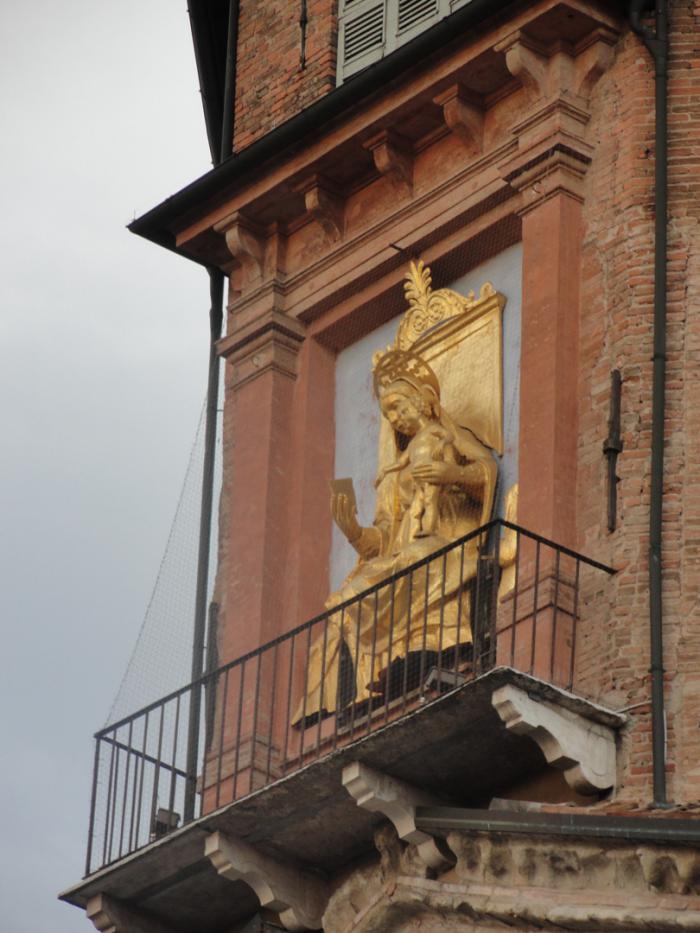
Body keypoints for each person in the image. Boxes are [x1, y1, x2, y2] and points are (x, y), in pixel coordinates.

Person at [294, 349, 497, 722]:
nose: (396, 419)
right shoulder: (395, 474)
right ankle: (368, 684)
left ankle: (429, 648)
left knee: (416, 561)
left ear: (421, 400)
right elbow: (385, 536)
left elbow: (486, 472)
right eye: (389, 415)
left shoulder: (450, 438)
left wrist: (452, 475)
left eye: (399, 407)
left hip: (448, 540)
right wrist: (354, 531)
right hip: (407, 548)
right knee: (349, 595)